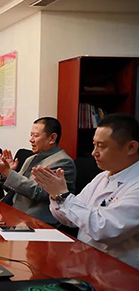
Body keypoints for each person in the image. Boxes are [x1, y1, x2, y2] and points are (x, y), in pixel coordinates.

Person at [33, 114, 139, 269]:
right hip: (85, 261)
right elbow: (70, 219)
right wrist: (56, 195)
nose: (94, 153)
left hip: (117, 271)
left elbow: (104, 229)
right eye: (94, 145)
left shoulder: (135, 184)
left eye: (101, 146)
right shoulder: (102, 176)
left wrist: (64, 196)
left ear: (131, 147)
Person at [0, 117, 76, 225]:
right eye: (31, 135)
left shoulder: (63, 161)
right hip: (14, 212)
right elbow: (14, 189)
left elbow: (38, 193)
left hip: (36, 220)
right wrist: (7, 173)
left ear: (52, 138)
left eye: (36, 135)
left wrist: (8, 172)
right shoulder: (31, 158)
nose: (31, 139)